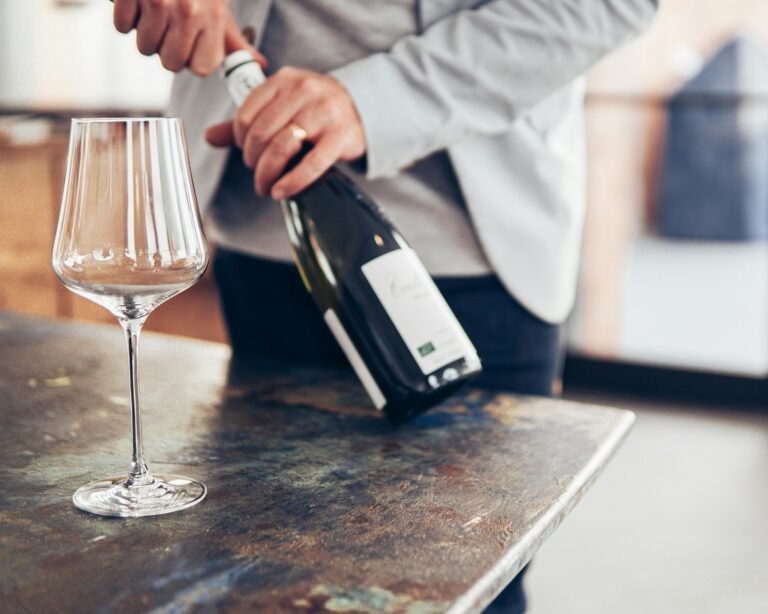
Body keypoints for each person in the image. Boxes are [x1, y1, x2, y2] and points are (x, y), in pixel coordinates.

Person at [112, 0, 657, 611]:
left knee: (462, 587)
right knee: (263, 578)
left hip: (471, 260)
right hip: (253, 231)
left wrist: (373, 100)